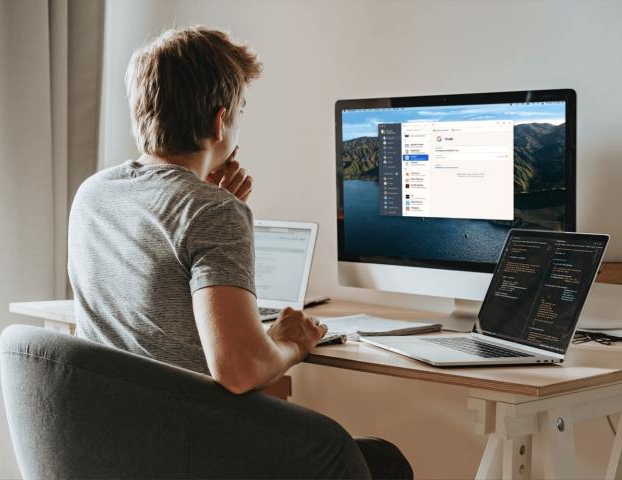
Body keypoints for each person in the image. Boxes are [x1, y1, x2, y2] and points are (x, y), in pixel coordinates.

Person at [67, 26, 413, 479]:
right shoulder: (212, 211)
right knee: (383, 460)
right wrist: (291, 341)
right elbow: (240, 368)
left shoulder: (94, 193)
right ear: (219, 121)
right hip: (189, 451)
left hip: (115, 449)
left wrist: (209, 200)